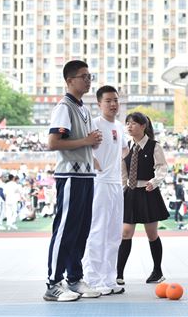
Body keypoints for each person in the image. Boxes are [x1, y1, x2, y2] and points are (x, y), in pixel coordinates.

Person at [44, 60, 103, 302]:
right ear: (69, 81)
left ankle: (74, 278)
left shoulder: (84, 109)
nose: (88, 80)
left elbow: (83, 141)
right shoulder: (64, 107)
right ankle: (53, 282)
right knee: (65, 230)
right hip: (69, 176)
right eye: (83, 76)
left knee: (81, 230)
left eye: (90, 76)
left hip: (86, 175)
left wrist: (91, 143)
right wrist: (87, 142)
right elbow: (53, 143)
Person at [82, 86, 128, 295]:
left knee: (114, 233)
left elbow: (125, 148)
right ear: (99, 103)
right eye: (108, 100)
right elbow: (82, 148)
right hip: (99, 183)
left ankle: (109, 278)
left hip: (116, 184)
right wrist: (95, 162)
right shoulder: (94, 124)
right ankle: (92, 279)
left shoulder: (119, 125)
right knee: (98, 231)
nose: (113, 104)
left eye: (115, 100)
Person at [116, 112, 170, 285]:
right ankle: (119, 274)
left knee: (152, 234)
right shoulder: (128, 146)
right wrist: (123, 188)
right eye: (127, 124)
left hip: (148, 192)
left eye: (133, 123)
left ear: (143, 126)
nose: (129, 126)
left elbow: (162, 168)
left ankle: (157, 271)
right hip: (130, 192)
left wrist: (154, 182)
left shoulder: (154, 146)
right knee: (125, 233)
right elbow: (123, 170)